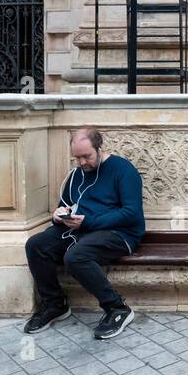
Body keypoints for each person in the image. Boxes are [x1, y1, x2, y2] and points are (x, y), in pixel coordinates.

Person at [23, 126, 145, 339]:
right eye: (77, 158)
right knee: (36, 245)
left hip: (119, 233)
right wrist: (59, 214)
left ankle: (117, 308)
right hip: (81, 230)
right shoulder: (76, 174)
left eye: (86, 157)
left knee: (76, 256)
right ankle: (55, 304)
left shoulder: (123, 170)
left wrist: (89, 222)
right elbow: (66, 203)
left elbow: (131, 213)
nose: (81, 163)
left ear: (99, 147)